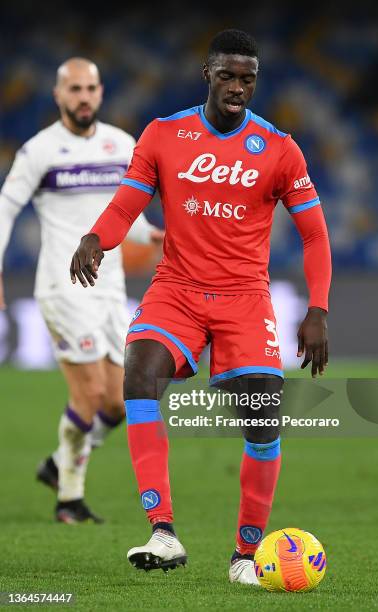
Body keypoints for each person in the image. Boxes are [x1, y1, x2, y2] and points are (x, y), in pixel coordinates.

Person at [70, 30, 331, 584]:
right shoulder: (164, 135)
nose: (238, 87)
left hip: (245, 298)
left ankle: (244, 557)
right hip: (177, 289)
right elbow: (126, 204)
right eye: (228, 75)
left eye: (248, 78)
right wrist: (98, 237)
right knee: (139, 375)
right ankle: (162, 531)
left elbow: (313, 235)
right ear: (206, 73)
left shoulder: (280, 148)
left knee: (262, 419)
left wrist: (318, 309)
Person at [0, 58, 163, 524]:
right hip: (62, 286)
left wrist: (150, 235)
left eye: (90, 88)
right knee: (90, 394)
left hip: (109, 288)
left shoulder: (121, 145)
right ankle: (69, 498)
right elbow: (5, 209)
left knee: (118, 402)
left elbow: (125, 213)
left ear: (101, 92)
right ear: (58, 95)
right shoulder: (39, 151)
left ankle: (56, 465)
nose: (83, 96)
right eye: (74, 89)